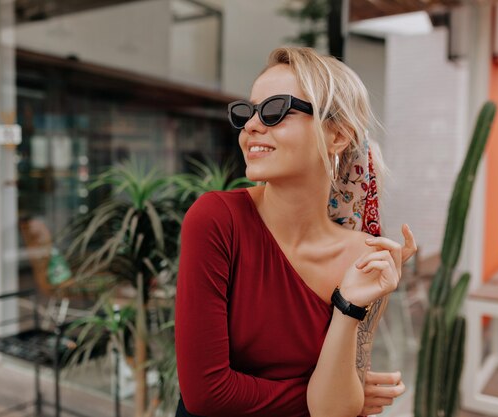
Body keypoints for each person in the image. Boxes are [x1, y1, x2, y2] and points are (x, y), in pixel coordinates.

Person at [175, 46, 417, 417]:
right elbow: (207, 395)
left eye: (274, 110)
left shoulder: (365, 261)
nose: (252, 125)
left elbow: (335, 410)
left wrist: (348, 306)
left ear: (337, 135)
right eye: (247, 112)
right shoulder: (216, 220)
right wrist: (333, 396)